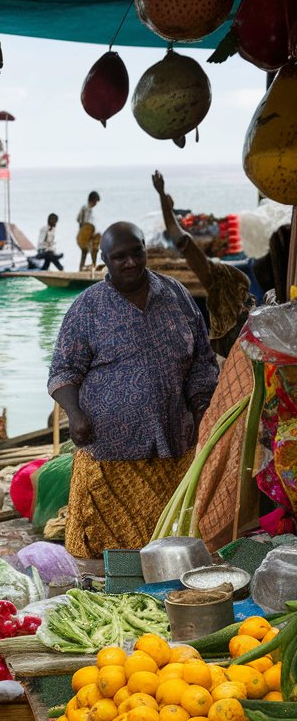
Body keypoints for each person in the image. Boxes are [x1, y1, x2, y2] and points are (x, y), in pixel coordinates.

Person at [48, 222, 219, 559]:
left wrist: (204, 413)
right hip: (111, 455)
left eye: (135, 252)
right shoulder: (87, 308)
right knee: (111, 554)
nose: (129, 262)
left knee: (172, 551)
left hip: (175, 449)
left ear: (145, 248)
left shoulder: (177, 295)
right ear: (104, 261)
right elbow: (62, 372)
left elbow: (202, 361)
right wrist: (75, 414)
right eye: (119, 257)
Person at [152, 171, 253, 356]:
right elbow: (181, 239)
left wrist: (161, 196)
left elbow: (180, 239)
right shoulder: (252, 321)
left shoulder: (220, 287)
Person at [76, 190, 101, 271]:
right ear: (93, 200)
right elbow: (85, 222)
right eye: (96, 202)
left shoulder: (86, 208)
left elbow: (78, 219)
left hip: (85, 233)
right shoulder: (87, 209)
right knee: (89, 250)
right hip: (86, 234)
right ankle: (90, 267)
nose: (96, 204)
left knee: (85, 252)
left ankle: (81, 268)